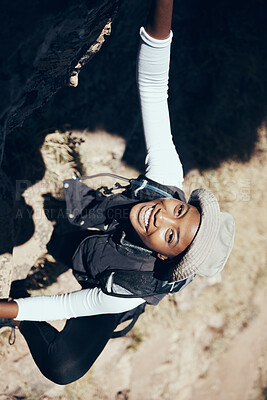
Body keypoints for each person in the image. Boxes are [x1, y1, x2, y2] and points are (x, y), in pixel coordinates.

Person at [0, 0, 235, 385]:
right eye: (178, 211)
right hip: (100, 242)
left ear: (163, 255)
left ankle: (32, 301)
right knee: (63, 240)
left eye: (171, 236)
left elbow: (66, 305)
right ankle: (65, 242)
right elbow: (154, 88)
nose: (161, 216)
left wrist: (11, 308)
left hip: (113, 281)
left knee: (64, 368)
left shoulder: (130, 288)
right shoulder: (165, 179)